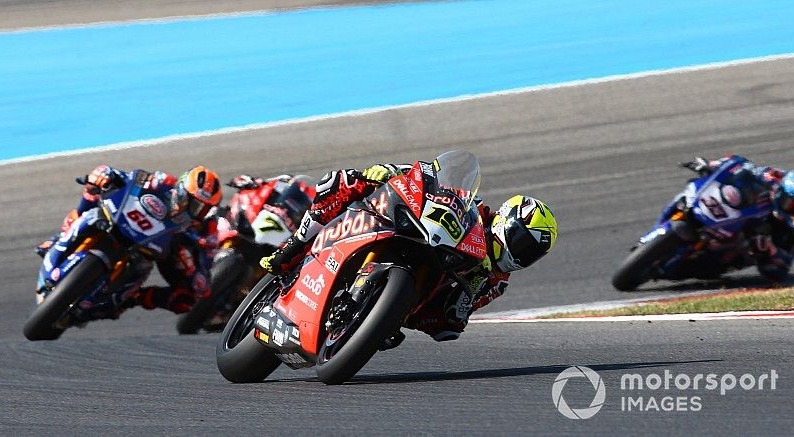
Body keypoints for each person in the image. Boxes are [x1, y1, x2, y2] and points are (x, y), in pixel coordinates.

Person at [260, 152, 558, 343]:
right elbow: (426, 176)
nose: (521, 254)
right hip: (410, 228)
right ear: (506, 221)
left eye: (531, 254)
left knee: (445, 325)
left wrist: (462, 304)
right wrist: (389, 172)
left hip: (425, 283)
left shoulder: (497, 281)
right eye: (522, 242)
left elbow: (454, 322)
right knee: (340, 183)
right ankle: (294, 247)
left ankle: (378, 319)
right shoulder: (474, 210)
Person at [37, 164, 223, 316]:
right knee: (92, 207)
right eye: (195, 203)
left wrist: (201, 246)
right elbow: (130, 178)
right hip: (122, 220)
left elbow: (205, 247)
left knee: (181, 290)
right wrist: (106, 175)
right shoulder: (163, 182)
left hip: (147, 248)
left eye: (202, 208)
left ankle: (129, 298)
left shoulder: (198, 222)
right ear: (181, 190)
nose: (196, 210)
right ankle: (59, 239)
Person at [677, 155, 794, 282]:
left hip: (742, 243)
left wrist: (769, 249)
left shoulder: (790, 229)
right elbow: (742, 165)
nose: (790, 208)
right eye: (791, 203)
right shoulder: (774, 177)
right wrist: (712, 165)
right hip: (735, 210)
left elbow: (780, 270)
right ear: (781, 191)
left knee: (716, 262)